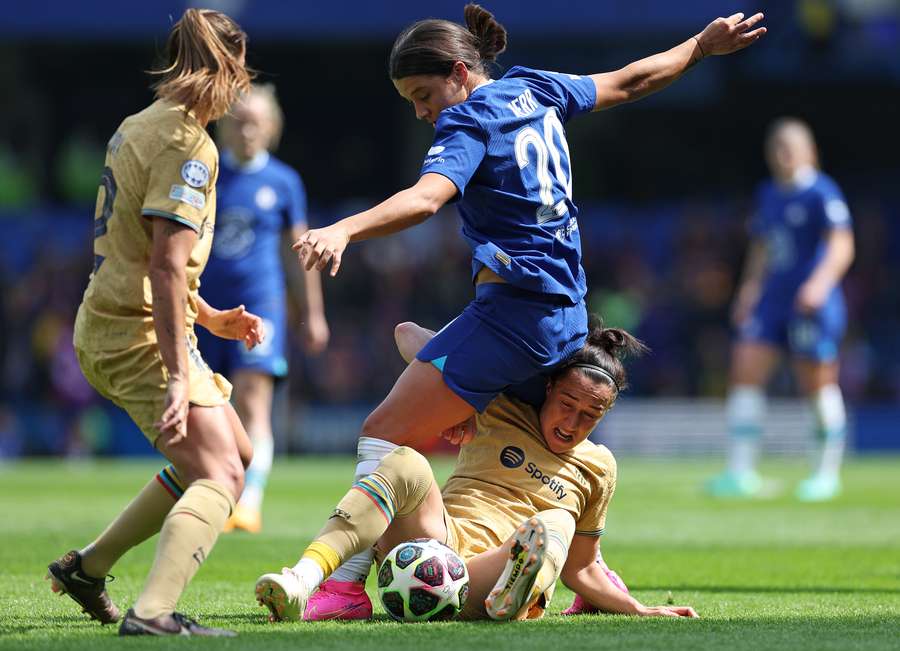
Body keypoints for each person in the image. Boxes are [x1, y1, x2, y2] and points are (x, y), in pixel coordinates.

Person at [292, 3, 766, 619]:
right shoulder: (535, 88)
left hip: (513, 315)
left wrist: (346, 230)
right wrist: (701, 45)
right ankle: (584, 572)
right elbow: (629, 81)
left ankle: (346, 587)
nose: (422, 109)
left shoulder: (466, 123)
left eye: (424, 93)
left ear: (461, 73)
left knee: (383, 432)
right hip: (567, 313)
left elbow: (426, 199)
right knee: (416, 341)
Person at [45, 9, 261, 637]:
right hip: (132, 333)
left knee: (237, 454)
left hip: (124, 317)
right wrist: (176, 376)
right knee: (220, 473)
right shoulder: (189, 145)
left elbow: (145, 254)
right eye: (239, 73)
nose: (241, 88)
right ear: (224, 68)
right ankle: (152, 613)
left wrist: (210, 316)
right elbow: (166, 264)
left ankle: (88, 569)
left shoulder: (139, 126)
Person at [255, 318, 698, 621]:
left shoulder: (600, 466)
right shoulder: (501, 404)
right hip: (433, 542)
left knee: (556, 521)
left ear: (605, 415)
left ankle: (515, 594)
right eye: (567, 405)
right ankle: (304, 578)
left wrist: (637, 608)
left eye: (590, 415)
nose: (572, 423)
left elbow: (581, 569)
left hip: (490, 570)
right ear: (548, 388)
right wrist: (466, 383)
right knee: (405, 460)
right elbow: (406, 335)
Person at [197, 83, 330, 534]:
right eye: (238, 121)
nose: (247, 130)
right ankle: (215, 489)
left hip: (262, 304)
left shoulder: (284, 181)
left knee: (254, 397)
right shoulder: (206, 175)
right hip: (205, 307)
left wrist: (313, 313)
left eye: (256, 121)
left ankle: (249, 501)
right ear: (222, 124)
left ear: (271, 127)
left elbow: (301, 253)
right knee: (207, 402)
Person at [707, 118, 855, 502]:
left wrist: (820, 285)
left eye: (790, 147)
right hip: (771, 301)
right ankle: (740, 472)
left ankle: (825, 474)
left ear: (810, 151)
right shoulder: (769, 193)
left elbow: (842, 245)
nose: (782, 154)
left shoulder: (822, 192)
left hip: (810, 304)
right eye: (776, 147)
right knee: (744, 374)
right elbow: (763, 248)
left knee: (817, 385)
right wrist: (748, 291)